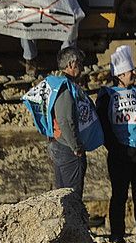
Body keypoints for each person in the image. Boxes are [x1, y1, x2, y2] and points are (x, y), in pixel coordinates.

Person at [22, 46, 104, 200]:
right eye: (79, 63)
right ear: (71, 64)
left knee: (63, 196)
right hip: (68, 149)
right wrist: (76, 147)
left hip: (60, 145)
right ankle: (72, 224)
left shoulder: (56, 84)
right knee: (72, 198)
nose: (82, 67)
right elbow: (65, 120)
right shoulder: (65, 88)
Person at [95, 45, 136, 243]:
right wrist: (114, 147)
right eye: (129, 71)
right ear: (119, 75)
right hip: (120, 154)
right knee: (119, 195)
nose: (133, 73)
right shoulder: (107, 95)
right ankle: (117, 234)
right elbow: (104, 124)